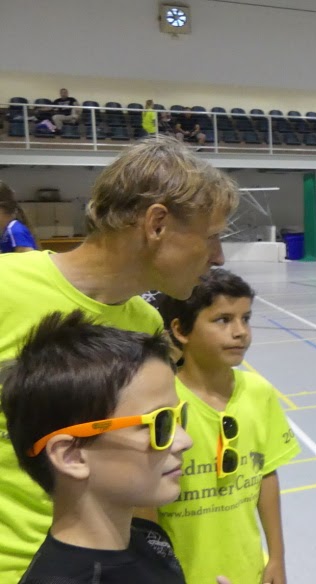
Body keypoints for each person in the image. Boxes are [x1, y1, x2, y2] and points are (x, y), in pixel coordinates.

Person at [0, 136, 239, 583]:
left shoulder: (145, 323)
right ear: (157, 224)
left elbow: (144, 466)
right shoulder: (5, 288)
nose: (219, 256)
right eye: (211, 237)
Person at [0, 311, 192, 583]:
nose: (185, 441)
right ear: (72, 456)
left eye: (179, 416)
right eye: (160, 423)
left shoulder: (151, 540)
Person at [151, 269, 299, 584]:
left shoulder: (259, 392)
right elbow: (144, 501)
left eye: (246, 319)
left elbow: (266, 475)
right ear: (181, 330)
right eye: (223, 320)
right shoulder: (159, 400)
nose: (240, 332)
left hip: (248, 569)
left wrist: (276, 557)